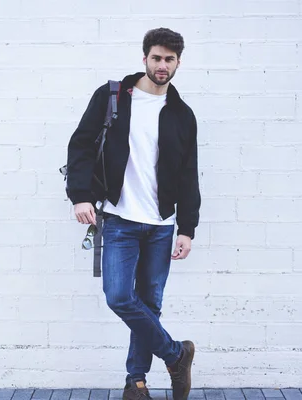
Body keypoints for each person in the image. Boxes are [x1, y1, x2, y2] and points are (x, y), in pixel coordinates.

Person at [66, 28, 201, 400]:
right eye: (156, 58)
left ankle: (136, 382)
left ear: (178, 63)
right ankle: (176, 355)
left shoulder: (182, 115)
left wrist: (186, 228)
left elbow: (189, 174)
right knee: (119, 296)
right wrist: (80, 196)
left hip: (161, 225)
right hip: (120, 219)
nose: (162, 65)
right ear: (144, 58)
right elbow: (79, 145)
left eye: (169, 59)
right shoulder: (112, 97)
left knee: (150, 302)